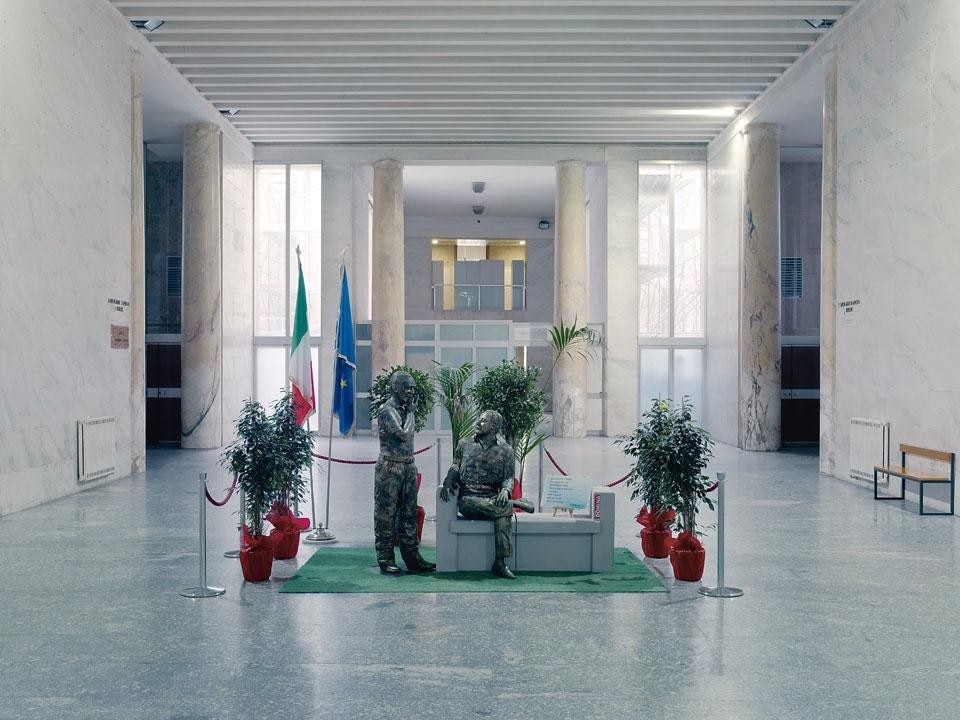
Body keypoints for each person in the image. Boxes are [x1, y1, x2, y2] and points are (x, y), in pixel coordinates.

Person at [440, 410, 535, 579]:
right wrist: (449, 477)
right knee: (504, 508)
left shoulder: (506, 450)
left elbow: (508, 478)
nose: (477, 422)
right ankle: (500, 562)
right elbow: (455, 465)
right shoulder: (465, 443)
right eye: (478, 419)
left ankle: (499, 562)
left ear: (493, 426)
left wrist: (506, 490)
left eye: (483, 421)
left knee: (502, 508)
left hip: (492, 498)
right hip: (469, 499)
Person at [374, 371, 435, 575]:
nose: (411, 392)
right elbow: (402, 433)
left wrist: (409, 411)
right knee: (386, 515)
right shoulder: (386, 410)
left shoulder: (405, 409)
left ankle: (412, 558)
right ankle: (385, 558)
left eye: (412, 388)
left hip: (408, 465)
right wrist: (411, 413)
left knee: (409, 514)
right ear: (396, 388)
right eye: (407, 388)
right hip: (390, 467)